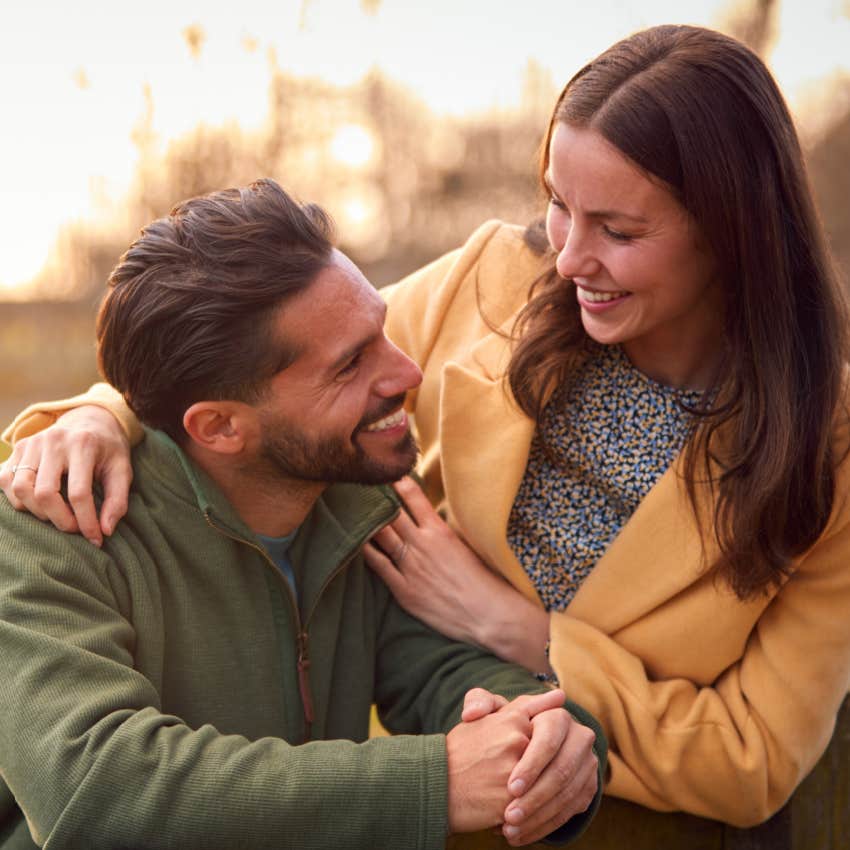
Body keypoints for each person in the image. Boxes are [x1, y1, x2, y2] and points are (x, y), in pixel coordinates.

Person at [4, 22, 850, 845]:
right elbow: (239, 370)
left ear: (732, 232)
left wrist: (542, 683)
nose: (566, 259)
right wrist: (94, 413)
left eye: (619, 231)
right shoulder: (492, 284)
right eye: (558, 205)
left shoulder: (825, 448)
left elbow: (750, 753)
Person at [0, 179, 606, 850]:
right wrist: (435, 785)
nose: (406, 373)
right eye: (350, 366)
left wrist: (545, 737)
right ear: (221, 427)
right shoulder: (43, 531)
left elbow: (444, 670)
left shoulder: (356, 507)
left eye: (381, 332)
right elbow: (98, 791)